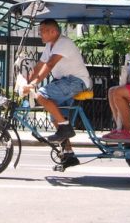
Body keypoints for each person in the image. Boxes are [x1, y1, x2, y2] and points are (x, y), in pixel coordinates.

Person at [21, 19, 92, 168]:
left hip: (76, 81)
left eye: (42, 31)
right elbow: (39, 66)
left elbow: (50, 64)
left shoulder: (63, 43)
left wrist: (33, 84)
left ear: (53, 31)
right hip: (64, 82)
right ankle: (69, 154)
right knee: (56, 118)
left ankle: (66, 128)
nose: (39, 33)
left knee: (41, 95)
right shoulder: (49, 45)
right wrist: (25, 81)